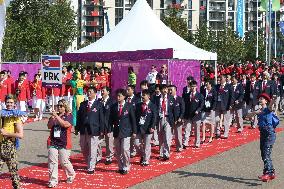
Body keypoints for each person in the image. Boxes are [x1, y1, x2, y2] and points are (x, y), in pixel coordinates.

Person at [246, 93, 277, 182]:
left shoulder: (268, 109)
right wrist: (255, 112)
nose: (260, 100)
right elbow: (248, 116)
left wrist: (273, 99)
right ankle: (271, 172)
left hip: (270, 134)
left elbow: (271, 105)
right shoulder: (258, 110)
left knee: (266, 153)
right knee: (264, 154)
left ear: (266, 101)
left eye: (262, 99)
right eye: (259, 98)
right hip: (263, 133)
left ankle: (268, 173)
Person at [47, 99, 75, 188]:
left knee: (64, 162)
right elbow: (49, 126)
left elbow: (65, 124)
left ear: (65, 107)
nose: (59, 107)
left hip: (64, 142)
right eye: (58, 105)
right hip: (53, 141)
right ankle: (53, 180)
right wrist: (52, 118)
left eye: (61, 106)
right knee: (52, 162)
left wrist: (57, 117)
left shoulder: (69, 116)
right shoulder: (55, 115)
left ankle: (71, 174)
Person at [75, 87, 104, 174]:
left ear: (95, 93)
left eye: (90, 92)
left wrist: (102, 130)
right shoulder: (83, 104)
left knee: (93, 148)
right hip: (83, 129)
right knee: (83, 147)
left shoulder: (99, 104)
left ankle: (91, 167)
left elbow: (101, 118)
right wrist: (77, 128)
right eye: (87, 92)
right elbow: (79, 117)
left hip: (94, 130)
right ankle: (90, 161)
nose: (88, 93)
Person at [109, 89, 137, 174]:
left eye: (119, 96)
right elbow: (111, 120)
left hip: (126, 131)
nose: (117, 97)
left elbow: (133, 119)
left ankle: (126, 166)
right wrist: (109, 129)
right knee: (118, 151)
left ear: (124, 97)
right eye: (117, 96)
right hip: (117, 132)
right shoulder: (113, 107)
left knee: (125, 149)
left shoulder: (129, 106)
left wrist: (134, 131)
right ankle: (120, 166)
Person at [0, 94, 24, 189]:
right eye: (7, 102)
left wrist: (7, 133)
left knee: (14, 174)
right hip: (0, 145)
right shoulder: (1, 114)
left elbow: (20, 135)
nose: (9, 104)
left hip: (10, 147)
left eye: (11, 102)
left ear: (14, 104)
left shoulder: (16, 116)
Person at [134, 89, 157, 166]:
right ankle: (143, 155)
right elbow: (135, 117)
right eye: (142, 95)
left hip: (148, 128)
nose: (142, 97)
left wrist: (152, 126)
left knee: (147, 145)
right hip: (139, 127)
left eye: (144, 95)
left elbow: (154, 117)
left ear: (148, 96)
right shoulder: (138, 105)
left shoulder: (153, 106)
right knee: (137, 144)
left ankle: (146, 160)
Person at [154, 84, 175, 160]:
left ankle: (166, 154)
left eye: (166, 88)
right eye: (163, 89)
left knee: (167, 136)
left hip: (168, 119)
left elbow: (174, 110)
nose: (165, 90)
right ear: (160, 90)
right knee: (160, 137)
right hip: (159, 119)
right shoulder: (156, 99)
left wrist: (175, 120)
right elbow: (154, 110)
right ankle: (161, 153)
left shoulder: (171, 98)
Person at [183, 80, 204, 148]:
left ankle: (197, 143)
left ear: (196, 87)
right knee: (187, 129)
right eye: (192, 86)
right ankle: (185, 142)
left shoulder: (200, 95)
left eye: (194, 86)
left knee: (197, 130)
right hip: (188, 115)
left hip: (196, 115)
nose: (193, 88)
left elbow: (201, 105)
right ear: (189, 87)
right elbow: (184, 105)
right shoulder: (186, 95)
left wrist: (198, 110)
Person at [98, 86, 115, 165]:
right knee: (97, 142)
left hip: (109, 125)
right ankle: (98, 157)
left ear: (108, 92)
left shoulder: (112, 101)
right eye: (101, 91)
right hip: (100, 126)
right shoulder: (98, 101)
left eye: (103, 91)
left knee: (109, 143)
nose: (102, 92)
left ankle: (109, 157)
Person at [168, 85, 184, 152]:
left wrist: (180, 117)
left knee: (178, 135)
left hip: (178, 120)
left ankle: (179, 147)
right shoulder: (167, 99)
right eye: (169, 90)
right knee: (168, 135)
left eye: (171, 90)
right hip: (170, 120)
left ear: (175, 90)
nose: (170, 91)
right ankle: (167, 148)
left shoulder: (180, 99)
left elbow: (182, 109)